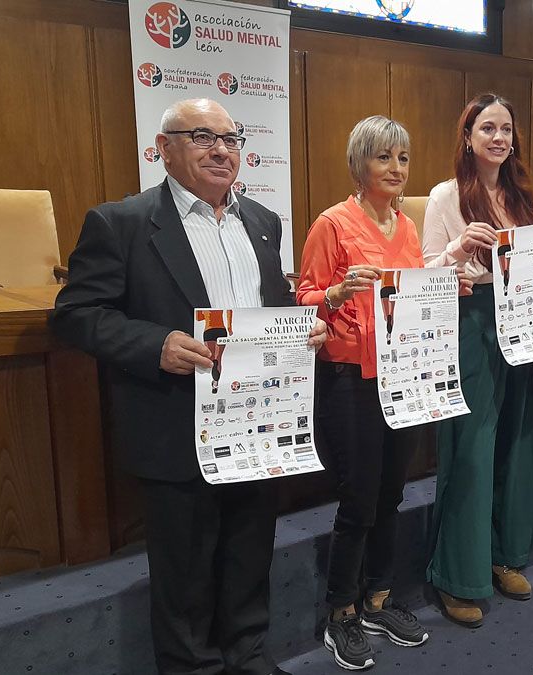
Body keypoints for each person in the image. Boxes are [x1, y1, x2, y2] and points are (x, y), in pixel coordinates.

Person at [52, 98, 327, 675]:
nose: (221, 149)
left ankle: (248, 655)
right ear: (163, 149)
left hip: (256, 422)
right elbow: (76, 314)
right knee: (185, 571)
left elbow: (269, 304)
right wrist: (154, 344)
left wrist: (304, 331)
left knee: (250, 553)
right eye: (202, 136)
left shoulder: (262, 221)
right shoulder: (120, 223)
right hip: (176, 424)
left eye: (231, 138)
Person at [297, 115, 470, 671]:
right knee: (358, 500)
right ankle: (340, 612)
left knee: (393, 493)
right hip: (350, 379)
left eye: (403, 159)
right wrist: (334, 291)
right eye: (383, 158)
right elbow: (302, 300)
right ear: (359, 164)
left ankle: (377, 598)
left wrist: (449, 287)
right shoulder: (332, 223)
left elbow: (413, 296)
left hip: (403, 375)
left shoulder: (409, 226)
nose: (396, 169)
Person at [421, 93, 533, 627]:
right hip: (470, 322)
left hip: (523, 319)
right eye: (488, 128)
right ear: (468, 137)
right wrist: (460, 250)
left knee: (522, 440)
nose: (499, 138)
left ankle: (506, 555)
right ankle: (458, 575)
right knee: (473, 446)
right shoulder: (444, 197)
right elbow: (426, 277)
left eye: (507, 129)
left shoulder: (521, 196)